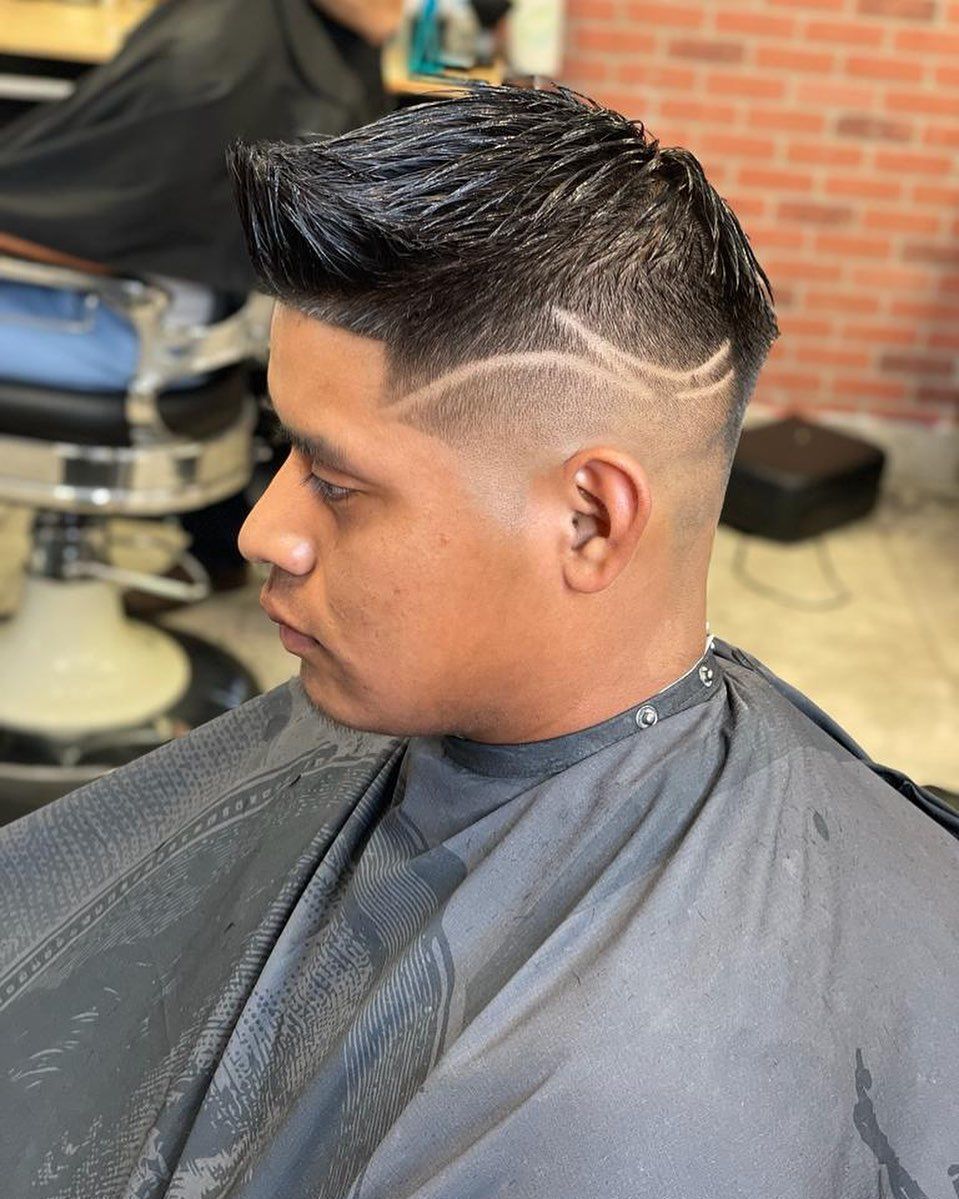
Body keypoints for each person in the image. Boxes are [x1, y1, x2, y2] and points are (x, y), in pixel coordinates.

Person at [1, 86, 957, 1199]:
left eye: (336, 482)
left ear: (589, 520)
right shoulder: (376, 703)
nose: (265, 530)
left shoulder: (631, 1111)